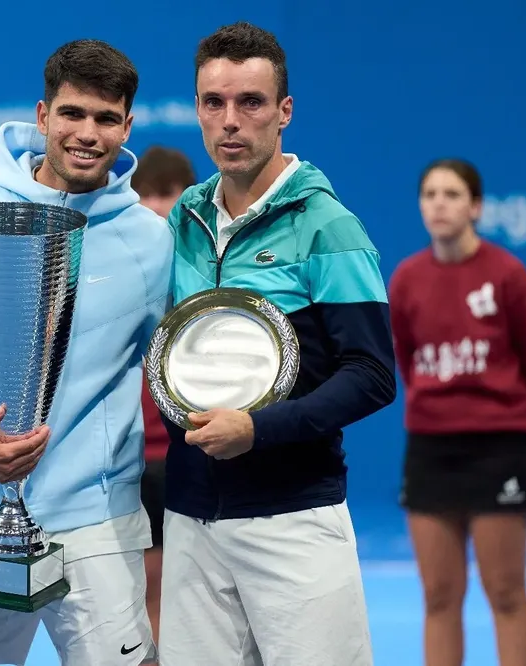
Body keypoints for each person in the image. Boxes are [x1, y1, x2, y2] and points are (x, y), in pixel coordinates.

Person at [0, 39, 172, 666]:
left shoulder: (153, 242)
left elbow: (175, 361)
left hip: (101, 523)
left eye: (105, 118)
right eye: (72, 114)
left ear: (127, 126)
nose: (87, 133)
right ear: (42, 117)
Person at [158, 22, 396, 665]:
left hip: (293, 519)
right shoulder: (184, 218)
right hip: (190, 516)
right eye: (214, 103)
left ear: (284, 112)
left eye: (251, 103)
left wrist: (257, 430)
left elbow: (372, 373)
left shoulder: (330, 225)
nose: (230, 122)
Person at [390, 158, 526, 666]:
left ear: (476, 206)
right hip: (429, 451)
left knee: (505, 592)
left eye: (451, 194)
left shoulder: (508, 275)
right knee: (439, 597)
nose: (439, 204)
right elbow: (407, 360)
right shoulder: (406, 279)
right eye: (430, 195)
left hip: (499, 449)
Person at [129, 145, 196, 644]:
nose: (154, 206)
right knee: (143, 592)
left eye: (167, 194)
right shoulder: (119, 279)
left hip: (189, 454)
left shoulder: (204, 277)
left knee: (190, 594)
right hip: (132, 460)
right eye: (144, 194)